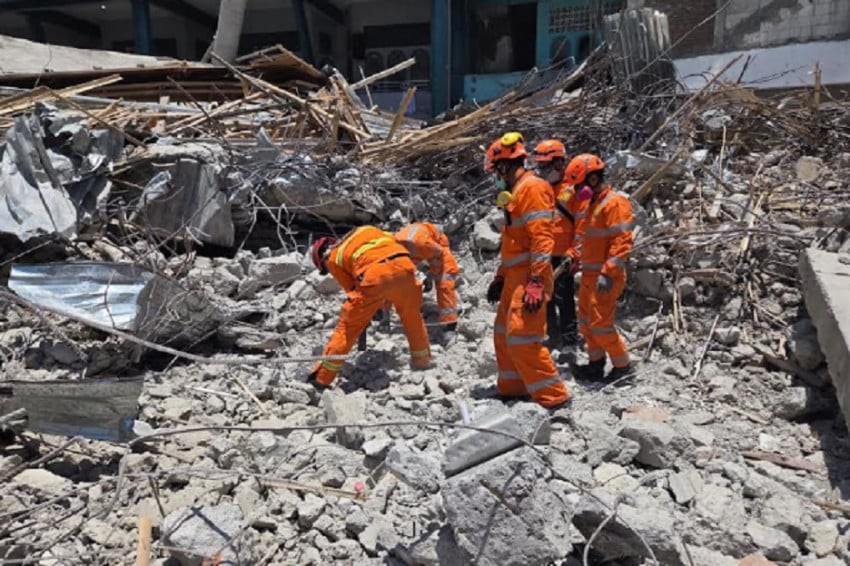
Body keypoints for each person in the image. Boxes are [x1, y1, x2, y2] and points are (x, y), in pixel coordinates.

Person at [484, 132, 571, 409]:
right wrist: (500, 277)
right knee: (503, 334)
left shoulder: (532, 189)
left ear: (504, 165)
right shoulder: (518, 192)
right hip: (515, 277)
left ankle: (555, 398)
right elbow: (514, 243)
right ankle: (513, 389)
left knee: (523, 338)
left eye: (496, 170)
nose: (495, 176)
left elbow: (542, 240)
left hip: (529, 276)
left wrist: (535, 281)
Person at [308, 226, 431, 387]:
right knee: (412, 317)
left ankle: (321, 378)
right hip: (405, 267)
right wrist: (380, 306)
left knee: (346, 328)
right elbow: (390, 261)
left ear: (322, 258)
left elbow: (353, 291)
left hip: (375, 275)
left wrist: (368, 311)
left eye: (326, 269)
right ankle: (422, 362)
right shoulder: (365, 230)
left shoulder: (332, 257)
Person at [564, 154, 635, 381]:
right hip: (590, 275)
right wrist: (575, 258)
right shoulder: (593, 204)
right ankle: (595, 364)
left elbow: (622, 242)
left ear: (593, 179)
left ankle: (623, 367)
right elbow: (586, 238)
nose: (577, 191)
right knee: (586, 323)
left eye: (579, 185)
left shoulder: (615, 203)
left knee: (600, 324)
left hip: (605, 277)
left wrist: (608, 273)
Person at [532, 139, 590, 350]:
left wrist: (574, 253)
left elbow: (582, 226)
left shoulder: (574, 190)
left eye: (545, 166)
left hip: (564, 256)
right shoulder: (541, 190)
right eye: (540, 166)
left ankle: (569, 342)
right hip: (543, 254)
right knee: (544, 297)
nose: (542, 171)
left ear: (558, 163)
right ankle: (552, 335)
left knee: (563, 298)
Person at [394, 222, 460, 343]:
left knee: (444, 283)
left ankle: (450, 326)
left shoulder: (421, 245)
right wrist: (385, 314)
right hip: (420, 244)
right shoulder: (392, 251)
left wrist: (431, 276)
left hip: (438, 245)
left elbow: (438, 256)